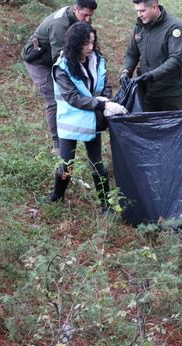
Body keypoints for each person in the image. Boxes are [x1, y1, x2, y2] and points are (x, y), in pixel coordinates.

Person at [46, 22, 127, 214]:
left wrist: (105, 99)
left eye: (92, 42)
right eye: (85, 44)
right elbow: (72, 98)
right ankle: (56, 197)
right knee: (66, 163)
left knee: (97, 163)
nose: (90, 47)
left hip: (92, 121)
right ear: (75, 44)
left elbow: (104, 83)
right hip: (71, 122)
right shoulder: (62, 67)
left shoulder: (97, 59)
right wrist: (103, 105)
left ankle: (106, 206)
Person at [21, 0, 98, 154]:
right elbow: (61, 58)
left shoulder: (82, 18)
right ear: (75, 9)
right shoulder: (59, 25)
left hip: (54, 58)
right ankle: (58, 144)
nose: (88, 19)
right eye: (85, 15)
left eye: (90, 16)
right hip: (39, 62)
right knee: (53, 99)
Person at [120, 0, 182, 112]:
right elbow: (132, 54)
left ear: (155, 7)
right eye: (137, 11)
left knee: (169, 128)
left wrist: (152, 75)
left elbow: (175, 60)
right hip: (146, 91)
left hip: (169, 93)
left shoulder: (174, 28)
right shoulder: (140, 26)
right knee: (145, 128)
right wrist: (126, 71)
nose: (139, 15)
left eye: (142, 11)